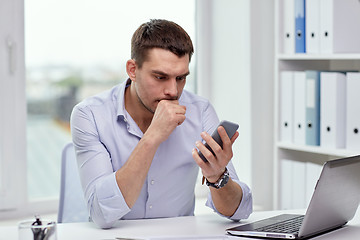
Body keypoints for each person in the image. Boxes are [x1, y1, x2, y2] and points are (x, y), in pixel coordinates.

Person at [70, 19, 252, 229]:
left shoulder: (200, 111)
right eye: (160, 77)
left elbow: (241, 211)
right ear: (132, 69)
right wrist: (152, 137)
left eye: (181, 78)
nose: (173, 91)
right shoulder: (90, 115)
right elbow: (101, 214)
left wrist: (218, 177)